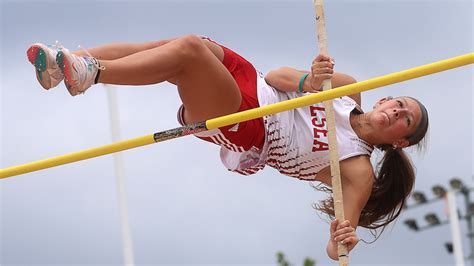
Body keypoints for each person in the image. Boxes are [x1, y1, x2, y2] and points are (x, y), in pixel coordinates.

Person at [26, 35, 429, 261]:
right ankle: (68, 63)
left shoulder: (358, 169)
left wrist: (341, 239)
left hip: (252, 128)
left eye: (404, 119)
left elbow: (336, 243)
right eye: (398, 103)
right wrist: (308, 81)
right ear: (382, 100)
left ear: (399, 141)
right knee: (184, 43)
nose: (395, 110)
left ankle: (89, 74)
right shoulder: (347, 89)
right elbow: (277, 75)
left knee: (188, 55)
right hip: (254, 81)